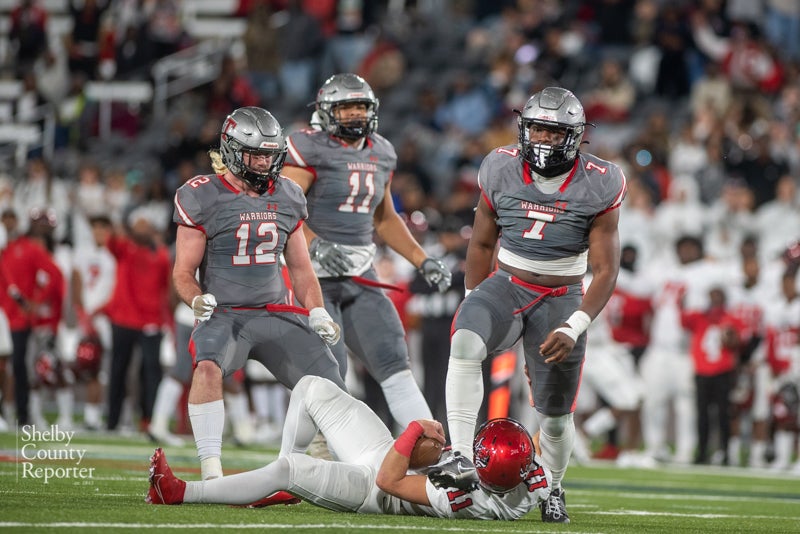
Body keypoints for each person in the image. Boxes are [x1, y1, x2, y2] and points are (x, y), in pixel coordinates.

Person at [441, 87, 627, 524]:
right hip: (506, 283)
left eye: (554, 130)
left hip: (561, 297)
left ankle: (555, 487)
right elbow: (482, 241)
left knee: (556, 417)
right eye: (537, 128)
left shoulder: (602, 179)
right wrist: (475, 300)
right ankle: (462, 456)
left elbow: (605, 271)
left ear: (576, 136)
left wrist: (575, 325)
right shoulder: (498, 165)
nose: (543, 139)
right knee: (465, 340)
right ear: (524, 128)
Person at [172, 106, 346, 481]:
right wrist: (196, 298)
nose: (265, 162)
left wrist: (316, 310)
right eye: (256, 153)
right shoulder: (201, 196)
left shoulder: (287, 194)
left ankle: (311, 460)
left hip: (274, 311)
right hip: (226, 314)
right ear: (232, 150)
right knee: (206, 367)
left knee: (329, 380)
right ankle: (211, 471)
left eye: (270, 153)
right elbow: (183, 272)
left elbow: (300, 268)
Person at [281, 73, 452, 429]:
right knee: (327, 372)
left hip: (361, 275)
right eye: (346, 107)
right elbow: (283, 208)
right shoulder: (306, 146)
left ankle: (431, 454)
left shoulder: (382, 152)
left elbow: (385, 218)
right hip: (312, 277)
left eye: (361, 106)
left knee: (394, 362)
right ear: (327, 111)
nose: (356, 114)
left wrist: (422, 260)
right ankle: (304, 457)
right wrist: (314, 244)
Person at [147, 375, 552, 520]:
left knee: (291, 465)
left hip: (371, 489)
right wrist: (556, 508)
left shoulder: (462, 498)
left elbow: (389, 479)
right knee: (311, 387)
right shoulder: (529, 472)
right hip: (384, 454)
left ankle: (180, 492)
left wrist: (412, 433)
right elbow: (549, 480)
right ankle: (276, 490)